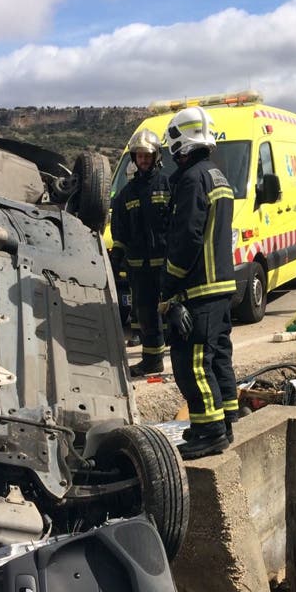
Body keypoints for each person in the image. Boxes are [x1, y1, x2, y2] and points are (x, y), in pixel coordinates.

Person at [161, 106, 238, 460]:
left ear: (181, 141)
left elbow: (187, 238)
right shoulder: (217, 176)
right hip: (222, 286)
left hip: (200, 289)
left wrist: (169, 285)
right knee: (219, 355)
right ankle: (225, 420)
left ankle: (209, 432)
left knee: (193, 362)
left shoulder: (192, 180)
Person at [109, 128, 172, 377]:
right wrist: (116, 258)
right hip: (139, 267)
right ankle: (152, 361)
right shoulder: (126, 193)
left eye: (147, 155)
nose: (143, 160)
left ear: (156, 156)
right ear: (134, 159)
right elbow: (120, 231)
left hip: (166, 265)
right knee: (146, 316)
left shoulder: (168, 186)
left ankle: (180, 359)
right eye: (139, 156)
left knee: (173, 312)